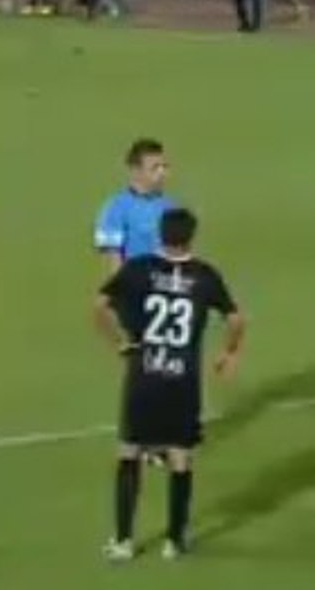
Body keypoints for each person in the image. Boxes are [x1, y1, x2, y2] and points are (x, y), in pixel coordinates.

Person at [94, 208, 246, 561]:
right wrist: (228, 353)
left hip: (144, 376)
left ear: (160, 233)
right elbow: (236, 319)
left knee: (130, 451)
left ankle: (123, 541)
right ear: (192, 236)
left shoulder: (139, 269)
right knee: (179, 456)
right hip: (182, 381)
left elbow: (99, 306)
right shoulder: (205, 275)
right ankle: (175, 540)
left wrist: (120, 343)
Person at [94, 139, 178, 275]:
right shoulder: (116, 208)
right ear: (136, 170)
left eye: (165, 166)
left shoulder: (171, 206)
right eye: (155, 167)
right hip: (133, 284)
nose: (162, 172)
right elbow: (112, 259)